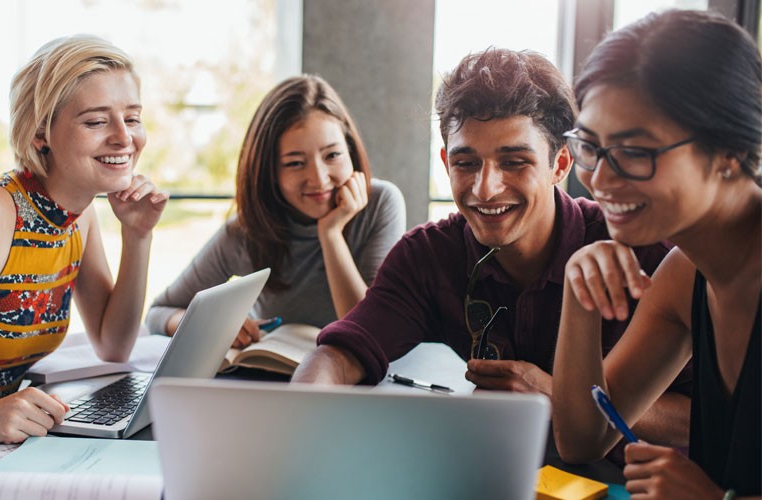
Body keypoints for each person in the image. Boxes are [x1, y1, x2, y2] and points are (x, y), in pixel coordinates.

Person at [292, 46, 691, 449]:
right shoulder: (427, 255)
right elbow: (337, 357)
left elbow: (710, 422)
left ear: (561, 164)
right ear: (447, 163)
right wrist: (297, 429)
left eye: (515, 162)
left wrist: (556, 396)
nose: (485, 189)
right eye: (466, 164)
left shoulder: (646, 252)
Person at [551, 10, 761, 499]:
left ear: (729, 150)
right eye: (590, 147)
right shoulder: (686, 273)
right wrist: (578, 294)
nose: (599, 180)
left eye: (634, 151)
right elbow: (583, 439)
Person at [0, 34, 168, 444]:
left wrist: (137, 234)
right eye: (95, 121)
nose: (124, 138)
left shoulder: (79, 215)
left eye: (131, 117)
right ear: (41, 134)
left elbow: (113, 344)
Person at [145, 75, 406, 346]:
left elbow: (368, 330)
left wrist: (330, 233)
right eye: (295, 163)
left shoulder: (381, 203)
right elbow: (158, 314)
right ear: (269, 172)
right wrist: (211, 326)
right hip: (272, 379)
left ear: (350, 150)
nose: (318, 178)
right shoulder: (246, 231)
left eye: (332, 155)